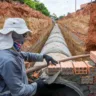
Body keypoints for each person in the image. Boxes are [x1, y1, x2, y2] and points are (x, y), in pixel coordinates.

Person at [0, 18, 58, 96]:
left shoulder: (7, 50)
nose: (25, 38)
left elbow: (25, 55)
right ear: (14, 35)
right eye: (24, 35)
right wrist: (37, 85)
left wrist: (43, 56)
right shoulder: (8, 61)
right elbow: (19, 92)